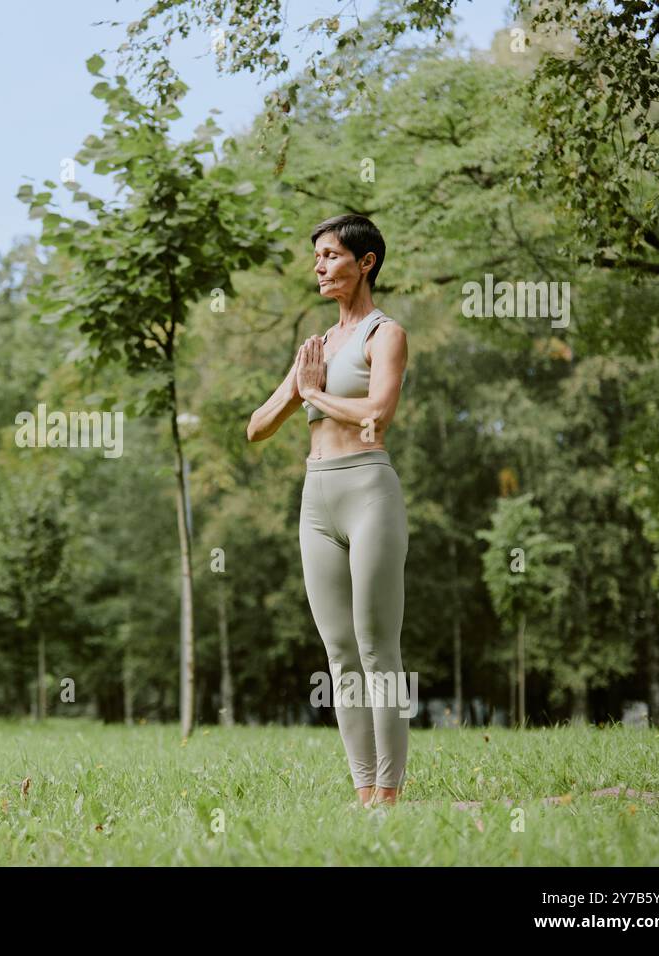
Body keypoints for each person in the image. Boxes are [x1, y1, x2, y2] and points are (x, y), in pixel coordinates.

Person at [245, 213, 410, 809]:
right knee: (339, 655)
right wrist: (296, 387)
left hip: (369, 492)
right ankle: (363, 791)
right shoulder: (316, 348)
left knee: (376, 651)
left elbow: (378, 413)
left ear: (364, 263)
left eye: (330, 255)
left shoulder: (383, 334)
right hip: (317, 500)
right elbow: (256, 428)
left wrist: (314, 394)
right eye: (316, 256)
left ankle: (388, 796)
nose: (318, 266)